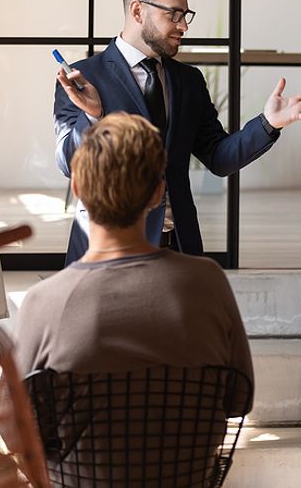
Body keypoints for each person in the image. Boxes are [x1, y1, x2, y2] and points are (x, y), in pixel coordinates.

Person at [54, 0, 301, 264]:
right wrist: (93, 116)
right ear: (137, 11)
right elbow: (69, 163)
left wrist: (268, 124)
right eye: (174, 14)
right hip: (104, 250)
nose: (183, 25)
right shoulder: (85, 77)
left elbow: (219, 158)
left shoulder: (188, 80)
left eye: (186, 15)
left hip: (178, 250)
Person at [15, 112, 252, 382]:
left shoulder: (43, 302)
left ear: (77, 188)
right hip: (186, 425)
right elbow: (237, 397)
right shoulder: (208, 282)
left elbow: (18, 410)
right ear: (159, 192)